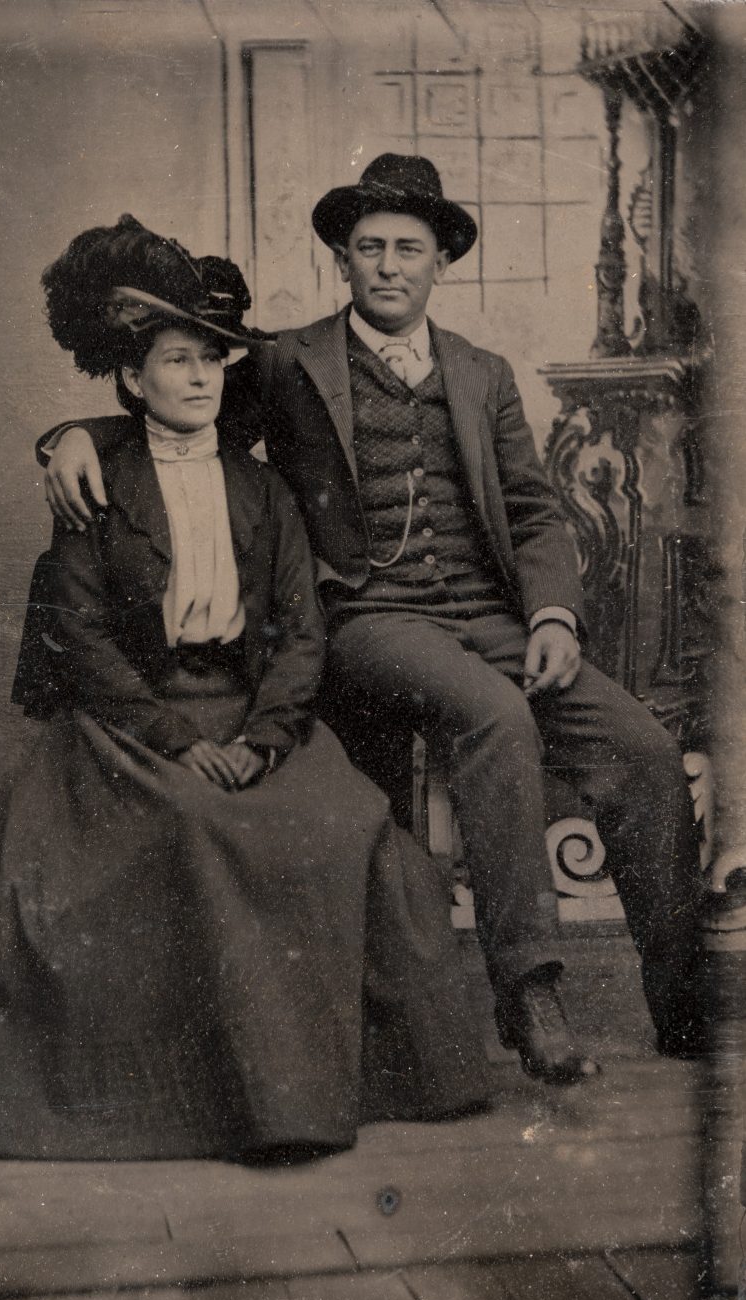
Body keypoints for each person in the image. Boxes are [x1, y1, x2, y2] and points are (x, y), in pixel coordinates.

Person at [42, 156, 708, 1084]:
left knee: (641, 746)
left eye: (408, 249)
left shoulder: (482, 372)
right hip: (370, 618)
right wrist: (71, 435)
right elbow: (181, 412)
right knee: (495, 716)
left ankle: (683, 1004)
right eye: (370, 248)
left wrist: (554, 614)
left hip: (494, 618)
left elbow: (531, 511)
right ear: (343, 261)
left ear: (442, 263)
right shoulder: (288, 361)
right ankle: (531, 990)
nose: (389, 266)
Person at [0, 216, 488, 1162]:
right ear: (134, 380)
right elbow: (84, 638)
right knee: (198, 827)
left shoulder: (265, 490)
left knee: (353, 826)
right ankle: (217, 1105)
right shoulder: (96, 484)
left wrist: (265, 737)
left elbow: (302, 629)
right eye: (178, 360)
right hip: (131, 722)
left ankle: (334, 1088)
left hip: (252, 713)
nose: (202, 377)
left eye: (214, 359)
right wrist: (178, 739)